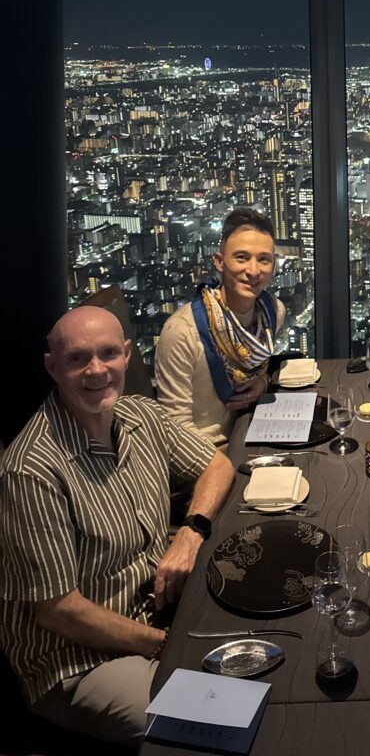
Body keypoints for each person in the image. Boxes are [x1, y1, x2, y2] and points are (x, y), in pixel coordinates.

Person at [0, 307, 234, 748]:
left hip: (154, 608)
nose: (96, 370)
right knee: (219, 723)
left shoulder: (142, 416)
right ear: (52, 367)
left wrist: (192, 530)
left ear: (127, 355)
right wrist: (167, 644)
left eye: (109, 353)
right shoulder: (31, 471)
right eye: (77, 359)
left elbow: (217, 465)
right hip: (78, 660)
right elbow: (59, 611)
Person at [156, 207, 286, 445]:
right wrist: (226, 461)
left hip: (253, 432)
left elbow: (261, 369)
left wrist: (262, 382)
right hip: (207, 452)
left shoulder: (273, 311)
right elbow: (174, 430)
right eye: (241, 257)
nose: (253, 271)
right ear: (219, 261)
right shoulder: (182, 332)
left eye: (263, 260)